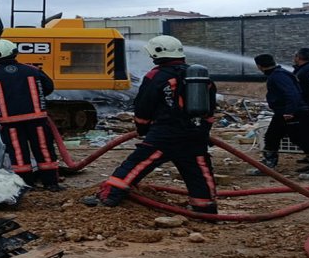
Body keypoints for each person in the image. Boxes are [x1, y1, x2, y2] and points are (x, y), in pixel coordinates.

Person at [81, 35, 220, 213]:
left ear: (156, 54)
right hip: (195, 134)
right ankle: (205, 208)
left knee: (136, 165)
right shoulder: (201, 78)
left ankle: (108, 197)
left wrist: (143, 128)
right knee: (199, 170)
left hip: (165, 134)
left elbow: (143, 106)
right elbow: (210, 110)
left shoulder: (156, 75)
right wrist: (202, 132)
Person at [0, 39, 61, 191]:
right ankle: (51, 184)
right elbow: (48, 88)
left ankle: (26, 185)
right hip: (36, 119)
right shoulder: (32, 70)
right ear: (14, 52)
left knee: (18, 153)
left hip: (10, 123)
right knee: (44, 149)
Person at [252, 54, 309, 179]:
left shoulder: (278, 76)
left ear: (259, 66)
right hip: (283, 113)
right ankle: (268, 165)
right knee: (272, 137)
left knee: (303, 140)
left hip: (293, 113)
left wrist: (289, 111)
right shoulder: (279, 74)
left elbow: (292, 94)